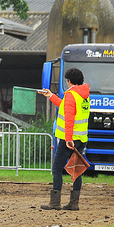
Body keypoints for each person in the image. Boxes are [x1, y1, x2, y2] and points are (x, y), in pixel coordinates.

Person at [39, 67, 90, 211]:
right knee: (76, 170)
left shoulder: (70, 95)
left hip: (69, 139)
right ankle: (74, 203)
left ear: (69, 81)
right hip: (81, 138)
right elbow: (66, 108)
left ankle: (55, 203)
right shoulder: (84, 94)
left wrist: (68, 139)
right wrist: (51, 96)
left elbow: (69, 118)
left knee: (56, 169)